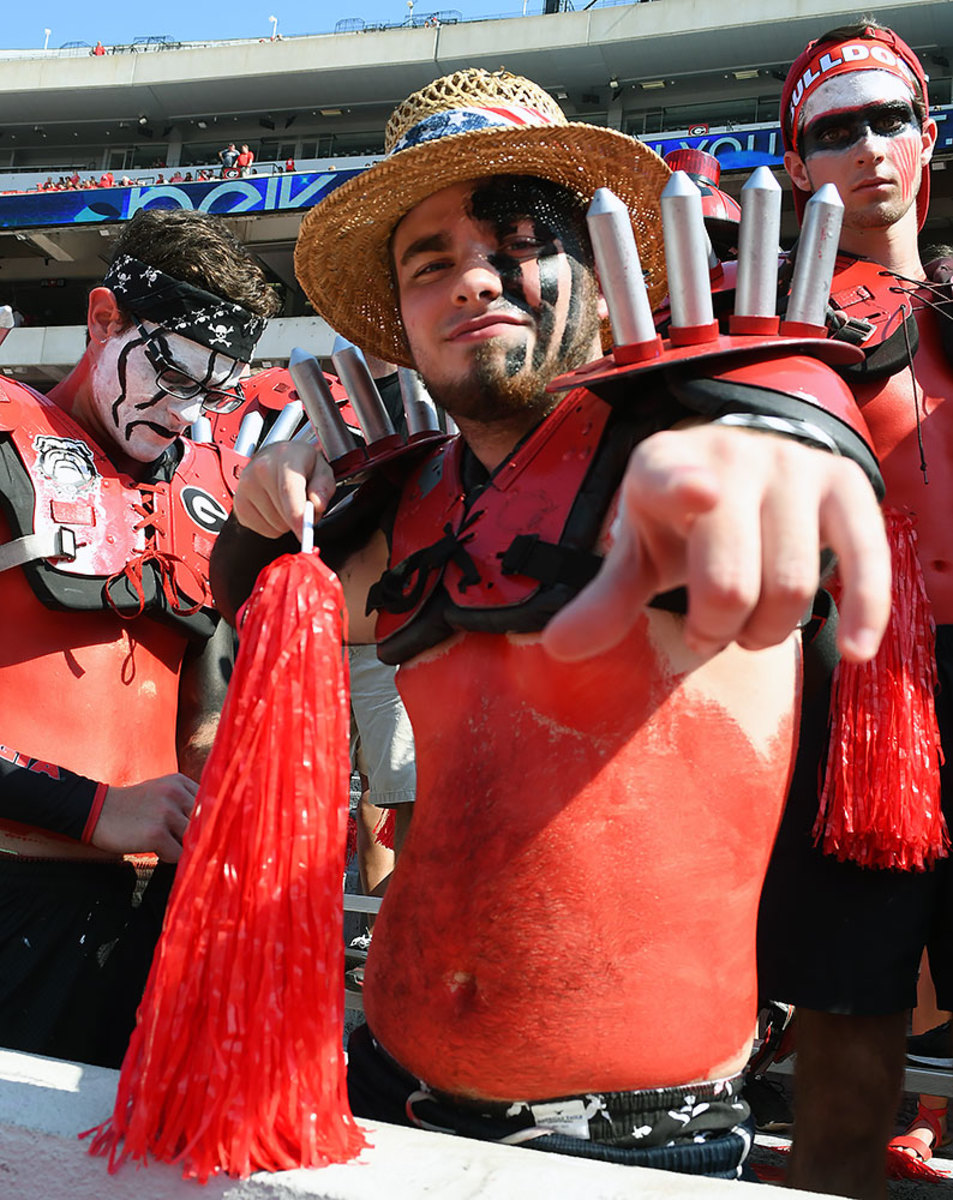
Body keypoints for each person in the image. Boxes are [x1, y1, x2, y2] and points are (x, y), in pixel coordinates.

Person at [210, 68, 890, 1178]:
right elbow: (257, 608)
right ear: (401, 315)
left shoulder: (695, 434)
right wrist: (255, 515)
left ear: (594, 263)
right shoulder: (403, 496)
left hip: (636, 1141)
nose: (470, 279)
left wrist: (763, 447)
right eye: (428, 265)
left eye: (514, 241)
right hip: (382, 1091)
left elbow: (788, 463)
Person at [0, 208, 279, 1070]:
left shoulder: (215, 483)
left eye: (213, 391)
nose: (187, 412)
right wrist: (93, 809)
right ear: (102, 318)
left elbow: (205, 713)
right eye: (169, 372)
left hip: (149, 909)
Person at [756, 22, 952, 1197]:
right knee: (842, 1067)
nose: (869, 148)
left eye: (888, 121)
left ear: (925, 138)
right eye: (835, 131)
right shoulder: (767, 314)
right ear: (795, 167)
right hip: (853, 701)